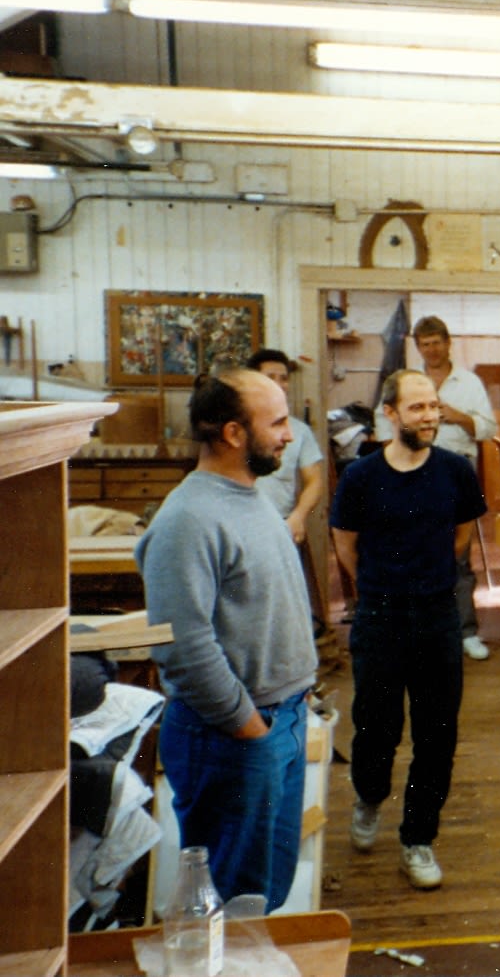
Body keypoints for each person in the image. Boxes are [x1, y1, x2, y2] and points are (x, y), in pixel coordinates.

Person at [136, 369, 317, 912]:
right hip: (232, 736)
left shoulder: (250, 497)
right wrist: (249, 728)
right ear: (234, 434)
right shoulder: (188, 519)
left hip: (277, 721)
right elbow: (183, 648)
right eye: (277, 423)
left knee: (262, 893)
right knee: (234, 901)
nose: (289, 435)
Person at [331, 369, 486, 890]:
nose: (430, 416)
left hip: (437, 614)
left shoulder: (456, 471)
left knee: (437, 734)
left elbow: (461, 537)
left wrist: (426, 578)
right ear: (390, 414)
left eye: (434, 406)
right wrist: (383, 584)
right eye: (418, 407)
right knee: (376, 725)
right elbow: (345, 543)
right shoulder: (361, 476)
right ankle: (370, 797)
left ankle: (418, 838)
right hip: (380, 614)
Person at [374, 315, 498, 662]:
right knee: (408, 550)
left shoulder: (469, 382)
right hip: (410, 473)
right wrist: (390, 458)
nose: (431, 350)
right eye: (424, 344)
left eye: (436, 343)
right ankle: (413, 632)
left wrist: (459, 416)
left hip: (456, 475)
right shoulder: (406, 382)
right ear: (417, 347)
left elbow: (488, 429)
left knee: (458, 556)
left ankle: (465, 632)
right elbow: (382, 420)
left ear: (448, 343)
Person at [245, 348, 324, 544]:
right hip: (240, 523)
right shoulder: (238, 428)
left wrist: (298, 517)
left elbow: (314, 481)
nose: (279, 385)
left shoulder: (299, 431)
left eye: (284, 378)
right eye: (270, 377)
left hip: (281, 525)